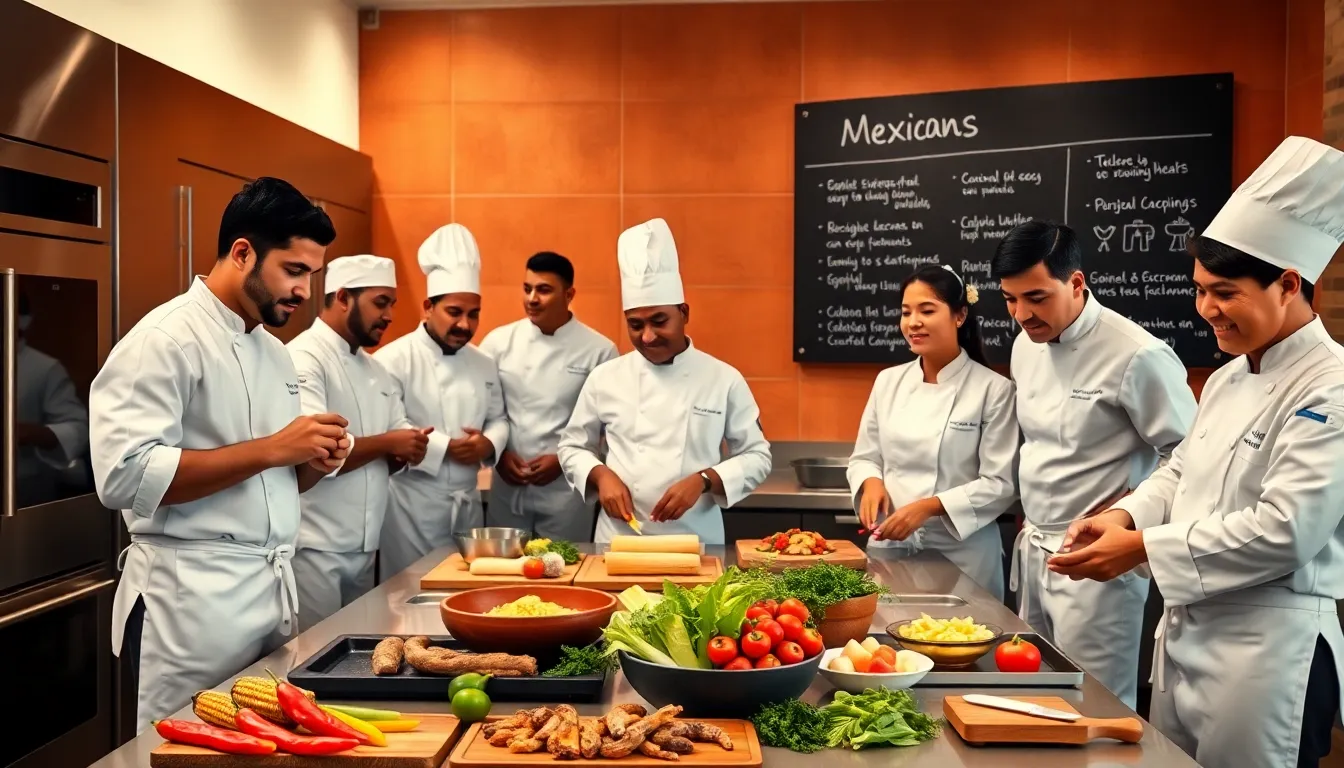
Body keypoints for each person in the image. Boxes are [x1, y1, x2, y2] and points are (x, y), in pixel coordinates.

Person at [1050, 136, 1344, 768]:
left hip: (1269, 651)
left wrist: (1141, 549)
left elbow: (1288, 529)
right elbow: (1180, 469)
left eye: (1226, 292)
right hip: (1187, 634)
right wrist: (1126, 516)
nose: (1207, 309)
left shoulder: (1332, 386)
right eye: (1200, 289)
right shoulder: (1229, 376)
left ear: (1289, 283)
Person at [90, 177, 350, 731]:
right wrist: (274, 448)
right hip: (189, 603)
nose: (306, 292)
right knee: (185, 754)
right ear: (242, 252)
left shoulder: (275, 353)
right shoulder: (165, 339)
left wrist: (309, 464)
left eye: (313, 275)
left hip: (269, 592)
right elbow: (123, 476)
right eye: (295, 271)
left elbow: (270, 478)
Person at [993, 219, 1195, 709]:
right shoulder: (1026, 344)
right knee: (1033, 695)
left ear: (1077, 282)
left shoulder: (1138, 354)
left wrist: (1128, 511)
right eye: (1010, 299)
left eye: (1036, 297)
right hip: (1035, 547)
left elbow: (1190, 454)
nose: (1022, 314)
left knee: (1096, 704)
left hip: (1097, 561)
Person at [558, 218, 772, 545]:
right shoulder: (606, 377)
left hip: (696, 540)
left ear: (684, 313)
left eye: (660, 321)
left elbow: (757, 455)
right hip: (618, 541)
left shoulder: (723, 379)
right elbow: (572, 445)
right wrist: (600, 476)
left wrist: (705, 479)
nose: (647, 336)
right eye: (635, 324)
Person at [849, 265, 1017, 599]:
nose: (913, 322)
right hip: (890, 547)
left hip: (965, 554)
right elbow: (865, 457)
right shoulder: (888, 382)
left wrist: (928, 507)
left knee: (965, 641)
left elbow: (1001, 484)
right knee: (887, 645)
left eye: (927, 310)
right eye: (906, 312)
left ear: (959, 315)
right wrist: (871, 483)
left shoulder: (994, 390)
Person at [286, 255, 434, 630]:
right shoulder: (304, 356)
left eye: (392, 305)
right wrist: (388, 443)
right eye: (379, 303)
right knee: (312, 655)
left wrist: (406, 447)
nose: (388, 315)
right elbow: (316, 449)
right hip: (315, 546)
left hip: (367, 544)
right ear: (343, 298)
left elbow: (403, 435)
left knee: (355, 653)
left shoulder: (377, 369)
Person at [375, 224, 507, 581]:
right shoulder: (392, 359)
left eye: (474, 313)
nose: (465, 324)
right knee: (407, 596)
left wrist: (487, 443)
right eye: (454, 312)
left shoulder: (483, 362)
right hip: (411, 506)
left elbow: (500, 418)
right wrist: (447, 447)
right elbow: (392, 425)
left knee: (466, 591)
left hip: (467, 509)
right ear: (428, 307)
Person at [478, 251, 617, 541]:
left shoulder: (599, 351)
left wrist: (561, 460)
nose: (532, 298)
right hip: (508, 485)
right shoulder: (498, 343)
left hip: (565, 491)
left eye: (543, 290)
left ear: (569, 294)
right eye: (527, 289)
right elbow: (486, 411)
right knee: (504, 572)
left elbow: (609, 427)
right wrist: (500, 455)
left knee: (562, 569)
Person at [15, 291, 90, 508]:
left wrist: (28, 433)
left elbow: (78, 428)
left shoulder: (45, 368)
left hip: (26, 492)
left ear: (21, 320)